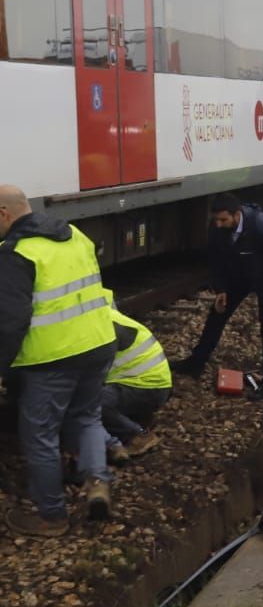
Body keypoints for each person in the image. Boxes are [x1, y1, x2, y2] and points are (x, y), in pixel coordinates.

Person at [0, 185, 117, 536]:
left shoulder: (16, 252)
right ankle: (97, 480)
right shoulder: (74, 234)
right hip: (99, 342)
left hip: (52, 357)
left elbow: (11, 320)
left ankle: (52, 516)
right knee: (86, 417)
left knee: (40, 435)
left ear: (3, 214)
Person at [171, 192, 263, 403]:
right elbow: (216, 260)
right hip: (240, 275)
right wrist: (220, 289)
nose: (219, 224)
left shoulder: (261, 225)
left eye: (223, 220)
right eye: (216, 220)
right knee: (217, 314)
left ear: (236, 215)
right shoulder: (217, 229)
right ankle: (196, 362)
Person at [99, 301, 170, 462]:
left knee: (92, 403)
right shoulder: (107, 316)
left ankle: (138, 435)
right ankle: (138, 418)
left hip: (147, 388)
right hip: (152, 384)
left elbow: (94, 373)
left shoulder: (104, 326)